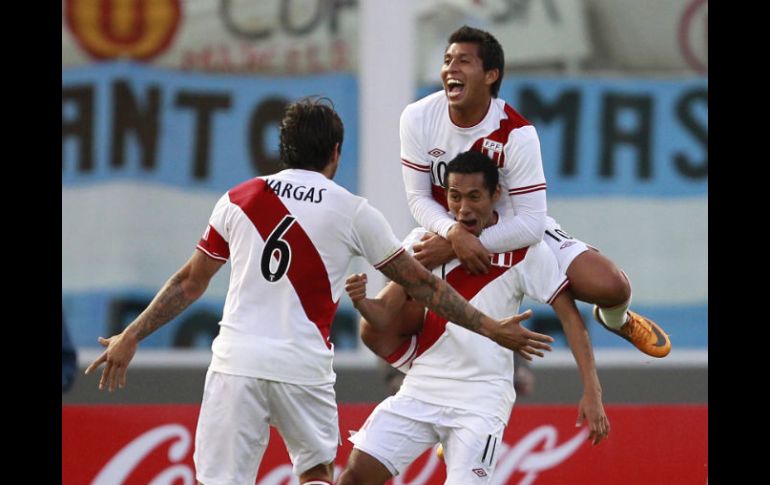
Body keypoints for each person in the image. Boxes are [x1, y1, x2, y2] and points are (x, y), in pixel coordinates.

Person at [84, 98, 555, 485]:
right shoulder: (351, 210)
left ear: (283, 148)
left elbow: (189, 282)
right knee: (315, 473)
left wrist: (132, 334)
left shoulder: (238, 199)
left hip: (236, 365)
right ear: (335, 152)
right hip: (303, 368)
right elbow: (423, 285)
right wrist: (491, 328)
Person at [337, 151, 608, 485]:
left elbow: (570, 318)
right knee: (353, 478)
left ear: (496, 195)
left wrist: (592, 392)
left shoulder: (524, 250)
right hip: (422, 387)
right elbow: (382, 316)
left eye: (474, 197)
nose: (463, 208)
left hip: (481, 400)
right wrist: (362, 302)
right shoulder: (422, 243)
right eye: (454, 196)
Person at [399, 25, 671, 358]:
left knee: (612, 286)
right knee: (387, 313)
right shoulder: (417, 117)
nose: (451, 69)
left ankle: (617, 320)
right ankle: (408, 373)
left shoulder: (517, 133)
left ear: (490, 75)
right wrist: (453, 233)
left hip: (509, 229)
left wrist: (465, 245)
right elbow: (418, 198)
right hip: (446, 229)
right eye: (447, 60)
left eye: (464, 61)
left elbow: (530, 222)